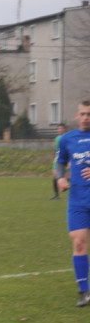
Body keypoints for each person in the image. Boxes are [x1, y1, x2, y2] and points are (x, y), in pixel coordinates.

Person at [54, 103, 90, 307]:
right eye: (82, 114)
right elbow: (60, 162)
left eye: (89, 114)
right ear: (77, 116)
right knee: (78, 243)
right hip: (77, 200)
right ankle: (84, 291)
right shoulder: (68, 138)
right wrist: (60, 178)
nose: (86, 117)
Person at [52, 123, 67, 199]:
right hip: (57, 159)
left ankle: (75, 193)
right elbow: (56, 149)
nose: (60, 129)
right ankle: (57, 195)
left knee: (68, 176)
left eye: (62, 128)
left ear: (64, 129)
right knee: (54, 176)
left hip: (65, 159)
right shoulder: (56, 138)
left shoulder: (66, 137)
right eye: (59, 128)